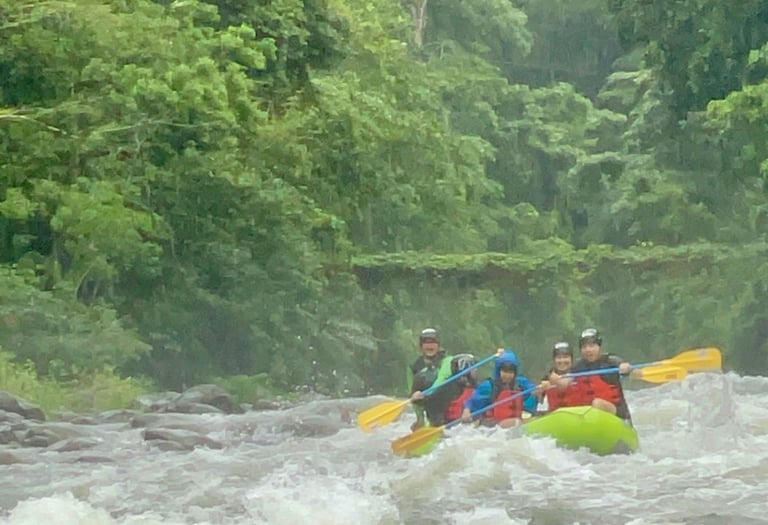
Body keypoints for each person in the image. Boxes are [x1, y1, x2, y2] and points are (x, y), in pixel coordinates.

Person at [550, 328, 633, 423]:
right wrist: (556, 380)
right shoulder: (578, 366)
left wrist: (627, 368)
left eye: (591, 346)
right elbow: (564, 384)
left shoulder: (611, 361)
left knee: (597, 403)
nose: (588, 350)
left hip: (618, 416)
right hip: (591, 416)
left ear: (599, 346)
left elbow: (634, 372)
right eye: (584, 347)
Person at [460, 350, 537, 428]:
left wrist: (543, 387)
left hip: (513, 423)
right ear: (498, 371)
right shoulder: (489, 386)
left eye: (510, 372)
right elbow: (471, 401)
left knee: (522, 421)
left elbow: (534, 390)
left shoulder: (521, 383)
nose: (507, 375)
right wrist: (466, 410)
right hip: (490, 424)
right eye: (504, 371)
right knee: (515, 422)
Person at [408, 328, 454, 430]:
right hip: (431, 408)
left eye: (433, 342)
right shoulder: (415, 366)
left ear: (438, 345)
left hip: (448, 404)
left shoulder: (448, 361)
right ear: (421, 346)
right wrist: (420, 419)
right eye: (426, 342)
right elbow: (412, 392)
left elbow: (441, 380)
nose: (430, 346)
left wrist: (426, 393)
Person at [538, 341, 575, 413]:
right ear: (554, 360)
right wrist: (540, 391)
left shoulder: (579, 374)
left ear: (571, 359)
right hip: (555, 417)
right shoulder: (547, 378)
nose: (562, 360)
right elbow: (539, 402)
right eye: (559, 357)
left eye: (565, 357)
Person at [443, 353, 479, 423]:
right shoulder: (449, 388)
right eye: (474, 367)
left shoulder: (476, 386)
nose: (476, 370)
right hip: (454, 425)